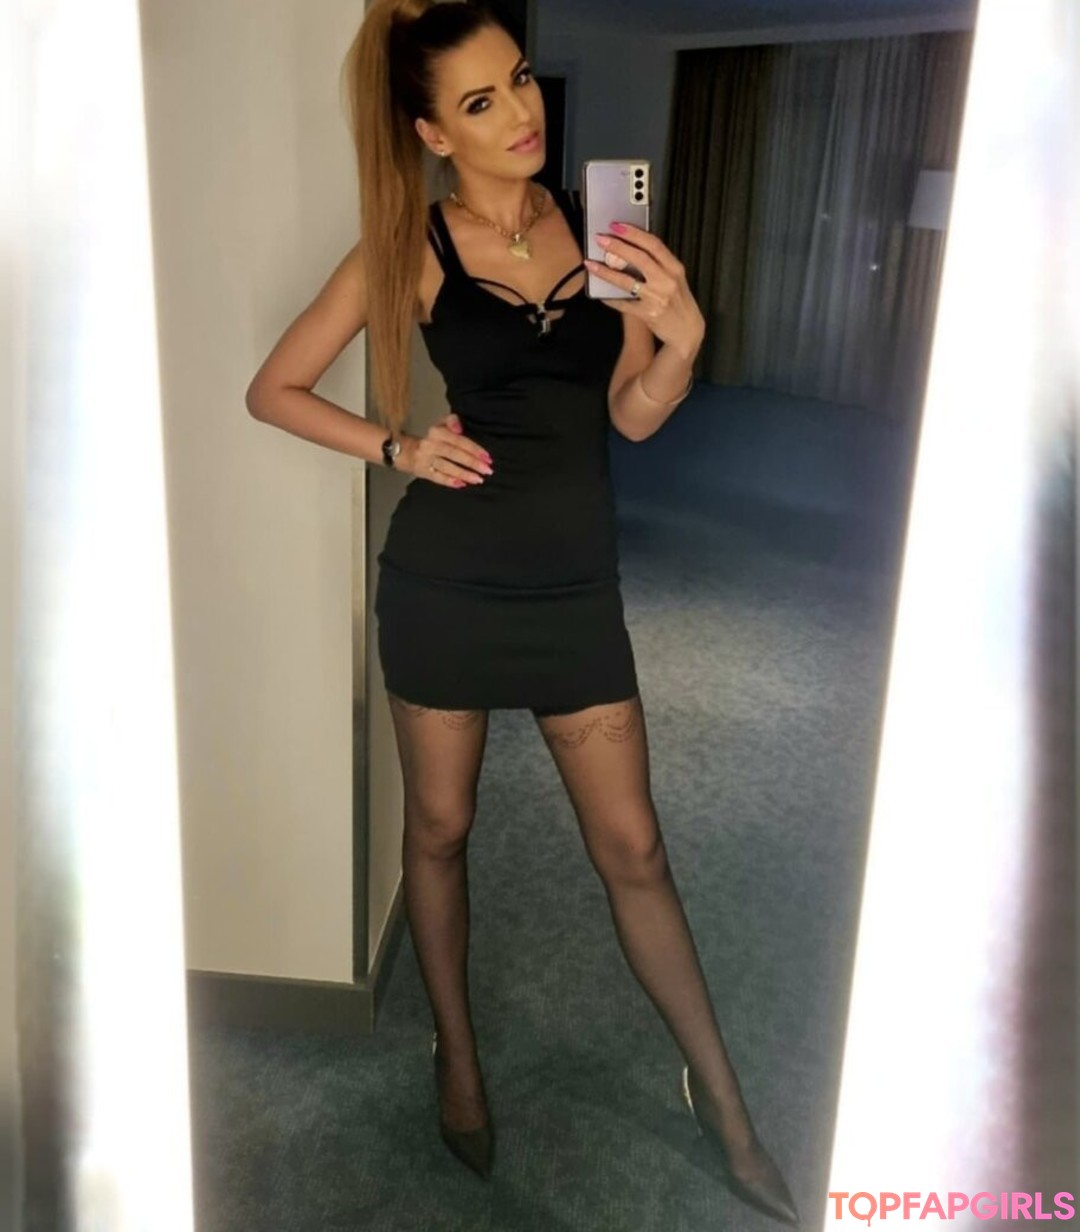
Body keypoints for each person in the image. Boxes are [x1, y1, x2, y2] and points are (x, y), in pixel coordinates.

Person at [245, 0, 799, 1223]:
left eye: (522, 79)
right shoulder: (408, 248)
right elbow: (272, 388)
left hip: (574, 588)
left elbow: (631, 416)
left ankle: (725, 1102)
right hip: (446, 585)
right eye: (482, 100)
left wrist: (681, 341)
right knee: (441, 831)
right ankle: (457, 1055)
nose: (522, 111)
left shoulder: (605, 233)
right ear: (433, 132)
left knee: (635, 849)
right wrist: (396, 445)